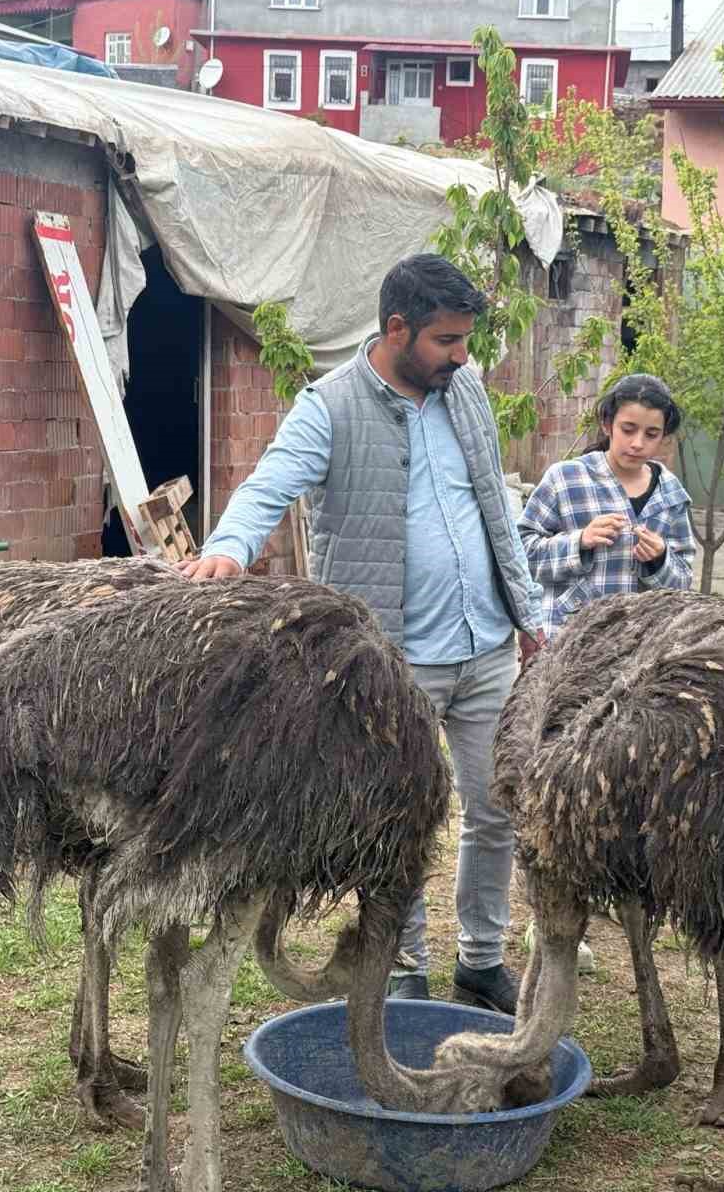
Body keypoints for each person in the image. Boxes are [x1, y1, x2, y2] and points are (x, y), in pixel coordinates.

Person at [178, 253, 545, 1015]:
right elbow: (267, 486)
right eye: (447, 340)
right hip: (392, 661)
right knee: (399, 817)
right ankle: (404, 963)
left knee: (496, 809)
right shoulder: (329, 406)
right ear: (397, 329)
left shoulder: (465, 390)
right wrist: (225, 549)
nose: (462, 355)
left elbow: (495, 509)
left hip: (487, 649)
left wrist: (530, 611)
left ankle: (480, 960)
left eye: (467, 340)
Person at [518, 373, 696, 641]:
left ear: (663, 437)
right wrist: (579, 542)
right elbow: (520, 556)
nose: (637, 443)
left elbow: (682, 582)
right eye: (628, 429)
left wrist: (660, 559)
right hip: (569, 643)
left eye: (651, 434)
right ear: (607, 424)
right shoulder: (566, 479)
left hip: (640, 648)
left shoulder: (671, 494)